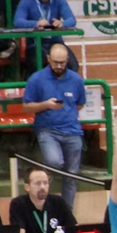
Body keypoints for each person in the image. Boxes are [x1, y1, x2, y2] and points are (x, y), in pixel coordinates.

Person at [21, 44, 87, 204]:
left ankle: (67, 212)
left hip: (72, 130)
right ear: (48, 59)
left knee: (72, 175)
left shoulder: (76, 80)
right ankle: (45, 204)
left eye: (62, 63)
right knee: (54, 162)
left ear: (67, 60)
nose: (59, 66)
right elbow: (26, 106)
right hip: (47, 130)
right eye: (56, 62)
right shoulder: (36, 79)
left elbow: (79, 103)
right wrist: (46, 105)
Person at [13, 0, 76, 67]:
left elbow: (72, 20)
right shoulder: (26, 1)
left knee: (72, 64)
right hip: (35, 44)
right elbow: (17, 21)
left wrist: (62, 23)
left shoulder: (59, 0)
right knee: (37, 63)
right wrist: (36, 23)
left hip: (56, 43)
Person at [8, 167, 76, 233]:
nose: (43, 187)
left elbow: (74, 231)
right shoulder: (18, 204)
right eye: (38, 183)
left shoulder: (58, 202)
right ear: (27, 187)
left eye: (45, 183)